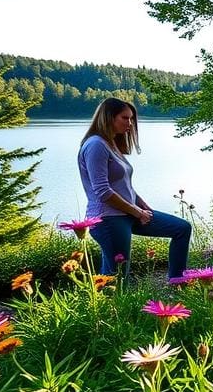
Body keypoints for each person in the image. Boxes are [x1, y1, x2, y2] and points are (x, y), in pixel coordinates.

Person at [77, 98, 191, 281]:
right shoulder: (95, 145)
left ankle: (177, 281)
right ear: (108, 117)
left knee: (181, 228)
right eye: (125, 118)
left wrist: (144, 206)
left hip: (127, 213)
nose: (130, 124)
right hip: (108, 219)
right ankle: (104, 307)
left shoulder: (110, 144)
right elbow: (103, 191)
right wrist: (138, 212)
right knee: (118, 278)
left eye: (131, 119)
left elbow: (124, 185)